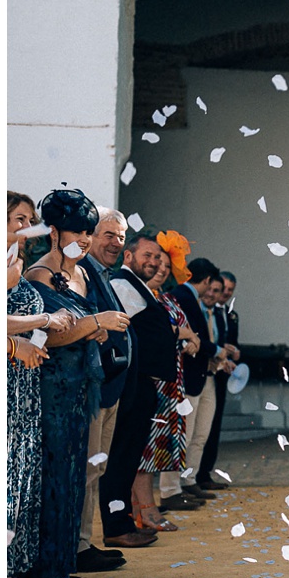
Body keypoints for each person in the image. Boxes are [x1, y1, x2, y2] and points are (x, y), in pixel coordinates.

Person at [23, 188, 130, 578]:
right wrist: (95, 323)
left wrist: (96, 329)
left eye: (88, 232)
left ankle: (63, 561)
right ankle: (43, 567)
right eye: (77, 232)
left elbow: (83, 328)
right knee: (52, 475)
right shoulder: (37, 274)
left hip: (83, 389)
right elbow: (47, 335)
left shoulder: (83, 271)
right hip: (51, 390)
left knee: (74, 477)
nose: (85, 240)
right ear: (53, 231)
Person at [98, 233, 176, 546]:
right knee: (120, 458)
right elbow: (129, 329)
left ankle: (123, 522)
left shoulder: (137, 285)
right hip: (129, 382)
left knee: (129, 457)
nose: (154, 262)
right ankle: (116, 527)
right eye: (148, 255)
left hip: (142, 382)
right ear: (128, 256)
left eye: (158, 257)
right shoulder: (121, 283)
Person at [6, 192, 62, 578]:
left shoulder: (16, 264)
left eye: (29, 220)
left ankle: (11, 575)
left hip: (24, 388)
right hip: (6, 385)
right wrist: (40, 324)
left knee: (21, 481)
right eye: (17, 219)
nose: (25, 228)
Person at [77, 207, 131, 574]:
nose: (115, 242)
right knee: (86, 470)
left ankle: (85, 541)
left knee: (95, 469)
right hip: (93, 389)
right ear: (90, 236)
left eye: (121, 237)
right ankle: (79, 546)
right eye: (108, 234)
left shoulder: (103, 275)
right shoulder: (85, 274)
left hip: (110, 390)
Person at [133, 244, 199, 532]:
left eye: (166, 266)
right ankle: (145, 509)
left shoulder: (168, 300)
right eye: (155, 262)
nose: (160, 269)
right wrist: (181, 334)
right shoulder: (140, 296)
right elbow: (151, 333)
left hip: (170, 385)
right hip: (150, 382)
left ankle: (139, 508)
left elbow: (185, 333)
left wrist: (189, 339)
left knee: (155, 451)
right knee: (143, 450)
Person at [162, 257, 220, 508]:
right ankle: (172, 488)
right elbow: (193, 335)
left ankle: (186, 481)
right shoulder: (183, 297)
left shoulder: (183, 296)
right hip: (187, 374)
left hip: (198, 374)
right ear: (206, 280)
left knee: (194, 433)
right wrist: (217, 349)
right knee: (182, 434)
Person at [195, 270, 239, 490]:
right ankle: (194, 476)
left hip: (221, 373)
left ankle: (204, 473)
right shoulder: (202, 310)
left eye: (228, 291)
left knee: (211, 426)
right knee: (198, 428)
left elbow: (229, 341)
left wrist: (233, 354)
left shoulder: (229, 314)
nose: (223, 294)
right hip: (203, 371)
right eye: (220, 289)